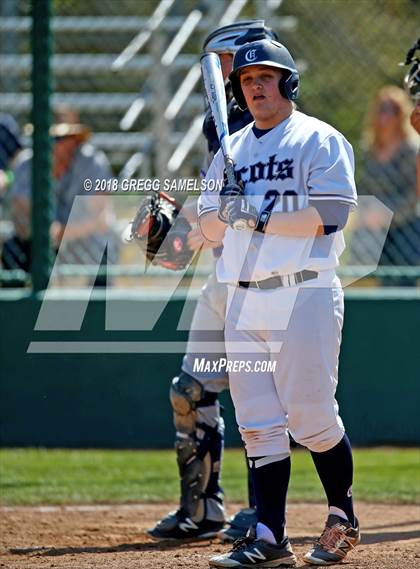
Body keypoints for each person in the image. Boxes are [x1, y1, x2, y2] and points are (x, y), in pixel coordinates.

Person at [198, 39, 360, 567]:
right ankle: (269, 535)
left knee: (311, 418)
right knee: (258, 423)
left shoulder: (319, 139)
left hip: (304, 291)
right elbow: (203, 229)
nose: (257, 87)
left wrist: (259, 215)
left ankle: (342, 516)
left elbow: (331, 212)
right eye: (247, 81)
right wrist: (224, 211)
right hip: (243, 301)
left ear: (288, 82)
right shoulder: (231, 150)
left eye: (266, 77)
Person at [148, 21, 278, 543]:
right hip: (224, 277)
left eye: (226, 64)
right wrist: (175, 239)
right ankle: (203, 509)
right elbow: (214, 207)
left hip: (269, 283)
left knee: (259, 399)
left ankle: (264, 511)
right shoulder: (218, 125)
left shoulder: (277, 125)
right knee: (191, 390)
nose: (222, 76)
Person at [2, 107, 119, 284]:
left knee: (104, 245)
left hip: (81, 237)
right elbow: (21, 219)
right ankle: (21, 310)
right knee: (13, 249)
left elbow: (99, 220)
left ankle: (96, 310)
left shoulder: (92, 162)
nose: (55, 144)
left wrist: (63, 233)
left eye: (62, 138)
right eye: (51, 138)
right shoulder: (27, 163)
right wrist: (42, 232)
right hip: (41, 240)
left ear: (74, 140)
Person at [351, 86, 418, 280]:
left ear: (402, 114)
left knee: (401, 279)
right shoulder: (368, 148)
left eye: (393, 109)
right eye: (382, 108)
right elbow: (362, 187)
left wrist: (387, 215)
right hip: (371, 223)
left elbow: (414, 194)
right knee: (363, 278)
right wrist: (366, 213)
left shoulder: (411, 150)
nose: (387, 115)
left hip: (404, 223)